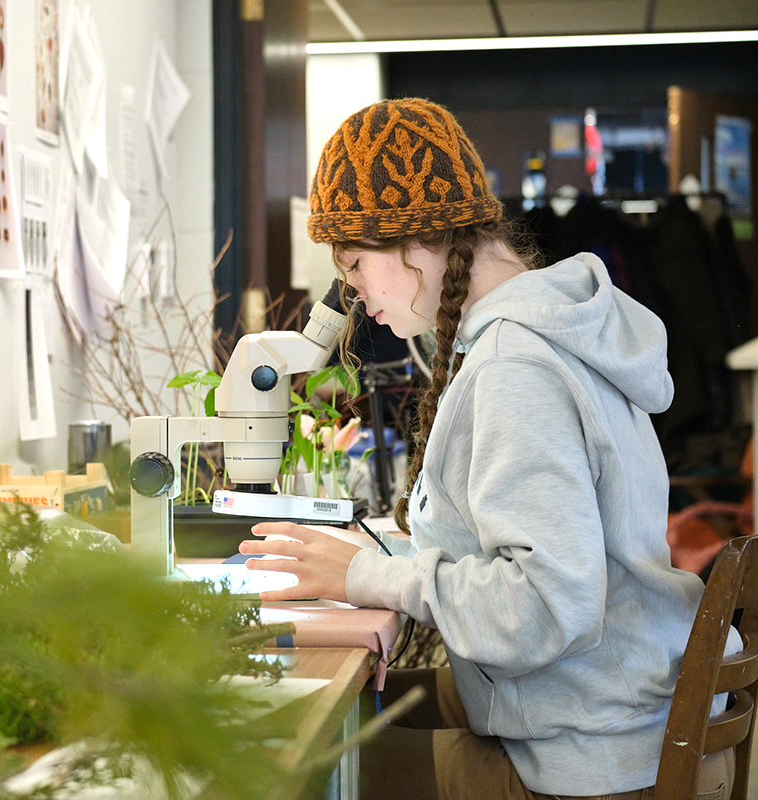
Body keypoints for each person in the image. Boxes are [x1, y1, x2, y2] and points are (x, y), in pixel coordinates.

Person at [239, 98, 739, 799]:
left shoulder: (516, 367)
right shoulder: (545, 329)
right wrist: (381, 554)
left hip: (595, 756)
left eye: (353, 263)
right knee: (344, 717)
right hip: (603, 703)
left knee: (297, 772)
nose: (351, 292)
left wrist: (367, 579)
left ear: (416, 241)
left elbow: (544, 606)